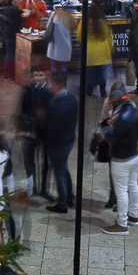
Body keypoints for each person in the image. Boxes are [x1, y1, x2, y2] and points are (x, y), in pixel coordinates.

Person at [102, 89, 138, 236]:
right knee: (133, 185)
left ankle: (122, 224)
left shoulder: (121, 119)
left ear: (115, 101)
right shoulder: (137, 113)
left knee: (121, 191)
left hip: (122, 159)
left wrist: (109, 128)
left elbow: (111, 138)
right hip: (135, 156)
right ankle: (133, 215)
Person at [42, 73, 77, 214]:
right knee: (63, 167)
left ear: (57, 85)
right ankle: (69, 195)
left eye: (50, 83)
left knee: (59, 172)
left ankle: (62, 203)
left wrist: (48, 141)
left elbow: (53, 128)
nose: (49, 86)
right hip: (68, 140)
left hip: (58, 144)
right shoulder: (70, 98)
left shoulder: (57, 105)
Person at [19, 66, 52, 197]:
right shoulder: (26, 91)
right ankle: (32, 186)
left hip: (44, 132)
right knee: (29, 159)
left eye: (39, 75)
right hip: (29, 132)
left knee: (46, 161)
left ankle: (44, 188)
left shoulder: (48, 92)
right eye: (34, 76)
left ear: (44, 76)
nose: (37, 78)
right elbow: (22, 111)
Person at [95, 84, 127, 210]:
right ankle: (112, 197)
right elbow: (101, 121)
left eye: (118, 96)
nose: (115, 99)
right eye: (113, 96)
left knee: (122, 175)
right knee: (112, 173)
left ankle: (121, 202)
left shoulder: (129, 107)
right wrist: (106, 123)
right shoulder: (107, 103)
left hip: (123, 146)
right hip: (110, 143)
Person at [80, 0, 114, 98]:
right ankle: (103, 93)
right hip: (103, 54)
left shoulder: (84, 22)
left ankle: (89, 93)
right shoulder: (103, 22)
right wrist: (111, 50)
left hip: (89, 54)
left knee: (89, 75)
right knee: (102, 76)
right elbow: (109, 37)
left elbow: (79, 35)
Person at [0, 0, 24, 80]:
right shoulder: (11, 9)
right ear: (13, 0)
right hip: (10, 33)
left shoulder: (9, 8)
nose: (19, 0)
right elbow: (14, 22)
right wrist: (22, 16)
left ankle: (9, 74)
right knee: (10, 54)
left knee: (9, 53)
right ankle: (8, 75)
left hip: (7, 32)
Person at [44, 8, 75, 73]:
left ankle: (55, 79)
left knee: (53, 64)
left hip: (54, 44)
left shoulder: (53, 16)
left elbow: (47, 27)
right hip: (65, 44)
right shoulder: (68, 18)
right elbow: (72, 29)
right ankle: (63, 80)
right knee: (63, 65)